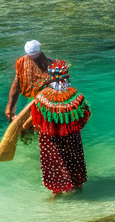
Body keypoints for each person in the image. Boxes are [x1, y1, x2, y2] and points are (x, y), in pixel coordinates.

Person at [30, 60, 90, 196]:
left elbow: (37, 120)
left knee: (54, 163)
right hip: (71, 136)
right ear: (66, 76)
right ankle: (77, 187)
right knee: (73, 160)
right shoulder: (76, 97)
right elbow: (85, 115)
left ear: (50, 78)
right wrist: (73, 128)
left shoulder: (41, 98)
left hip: (50, 138)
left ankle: (56, 193)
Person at [5, 40, 54, 122]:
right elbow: (16, 86)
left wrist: (10, 108)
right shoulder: (49, 63)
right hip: (39, 102)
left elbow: (16, 86)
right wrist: (10, 107)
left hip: (43, 102)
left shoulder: (49, 64)